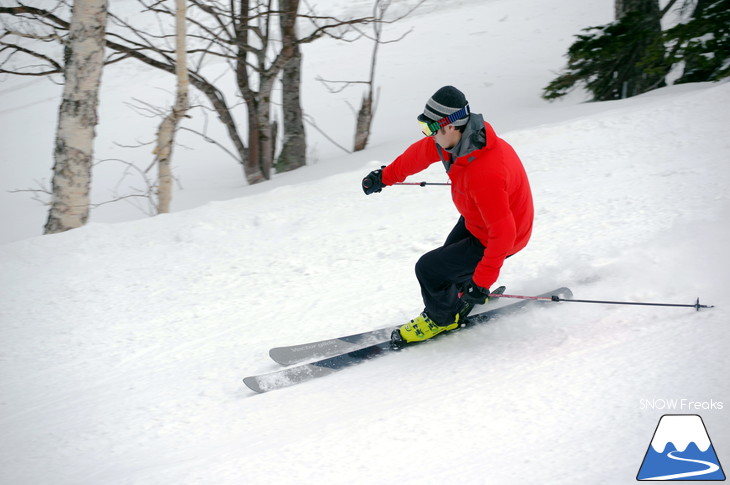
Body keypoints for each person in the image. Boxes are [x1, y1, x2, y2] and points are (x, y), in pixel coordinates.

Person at [361, 86, 534, 343]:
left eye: (430, 128)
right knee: (447, 262)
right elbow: (417, 155)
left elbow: (503, 233)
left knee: (430, 269)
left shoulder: (485, 171)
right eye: (424, 127)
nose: (428, 135)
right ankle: (462, 293)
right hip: (478, 221)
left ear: (451, 126)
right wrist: (384, 177)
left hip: (503, 234)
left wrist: (483, 282)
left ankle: (442, 319)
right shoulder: (456, 142)